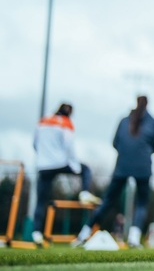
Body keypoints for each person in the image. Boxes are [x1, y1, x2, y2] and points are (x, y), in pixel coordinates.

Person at [74, 96, 154, 248]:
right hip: (143, 167)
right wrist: (143, 152)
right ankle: (134, 238)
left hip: (122, 166)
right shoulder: (153, 122)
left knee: (107, 200)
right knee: (141, 203)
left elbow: (115, 143)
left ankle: (84, 234)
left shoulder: (124, 120)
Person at [31, 102, 102, 245]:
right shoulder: (66, 123)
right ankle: (84, 193)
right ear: (69, 113)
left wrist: (43, 157)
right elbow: (69, 146)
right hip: (61, 162)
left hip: (44, 165)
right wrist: (75, 166)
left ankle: (37, 233)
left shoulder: (43, 121)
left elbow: (35, 143)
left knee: (41, 201)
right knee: (86, 169)